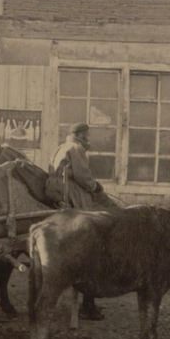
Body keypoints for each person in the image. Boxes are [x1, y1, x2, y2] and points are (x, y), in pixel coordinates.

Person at [46, 123, 115, 320]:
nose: (88, 139)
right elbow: (83, 177)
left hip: (54, 188)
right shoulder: (75, 149)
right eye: (86, 135)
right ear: (79, 135)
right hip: (67, 189)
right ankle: (88, 302)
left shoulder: (62, 146)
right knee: (94, 223)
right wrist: (96, 187)